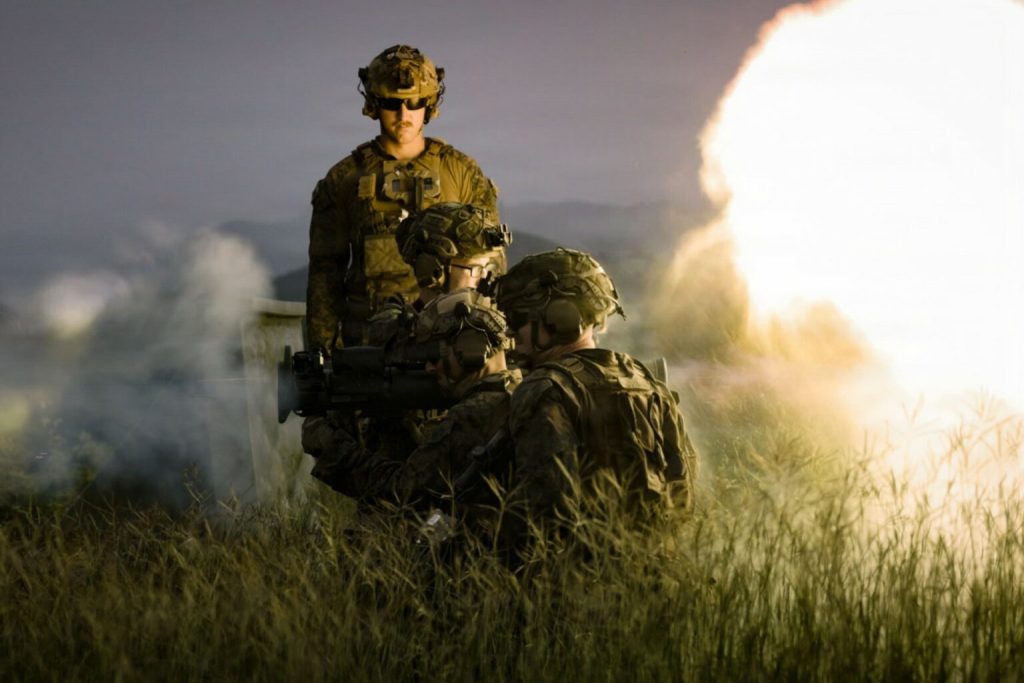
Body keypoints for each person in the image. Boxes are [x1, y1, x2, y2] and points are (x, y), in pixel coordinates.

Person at [493, 248, 698, 546]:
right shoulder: (646, 381)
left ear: (560, 319)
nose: (511, 331)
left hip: (573, 568)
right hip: (650, 562)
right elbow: (683, 493)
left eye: (518, 318)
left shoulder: (545, 388)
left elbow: (544, 507)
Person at [306, 44, 500, 351]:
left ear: (429, 104)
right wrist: (322, 352)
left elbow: (492, 265)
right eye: (391, 103)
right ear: (374, 104)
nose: (403, 114)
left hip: (450, 347)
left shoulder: (462, 173)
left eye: (414, 102)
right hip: (369, 349)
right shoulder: (344, 179)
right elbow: (325, 274)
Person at [310, 289, 520, 515]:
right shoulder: (516, 391)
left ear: (471, 349)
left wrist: (329, 445)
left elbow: (403, 491)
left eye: (433, 356)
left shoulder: (471, 416)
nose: (429, 368)